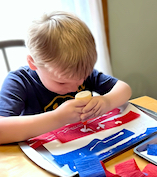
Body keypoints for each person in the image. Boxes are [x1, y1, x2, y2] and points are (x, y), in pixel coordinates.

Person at [0, 11, 132, 144]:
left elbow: (124, 89)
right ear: (33, 63)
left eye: (82, 77)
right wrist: (58, 118)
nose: (75, 87)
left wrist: (106, 101)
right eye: (62, 83)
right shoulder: (19, 82)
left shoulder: (78, 71)